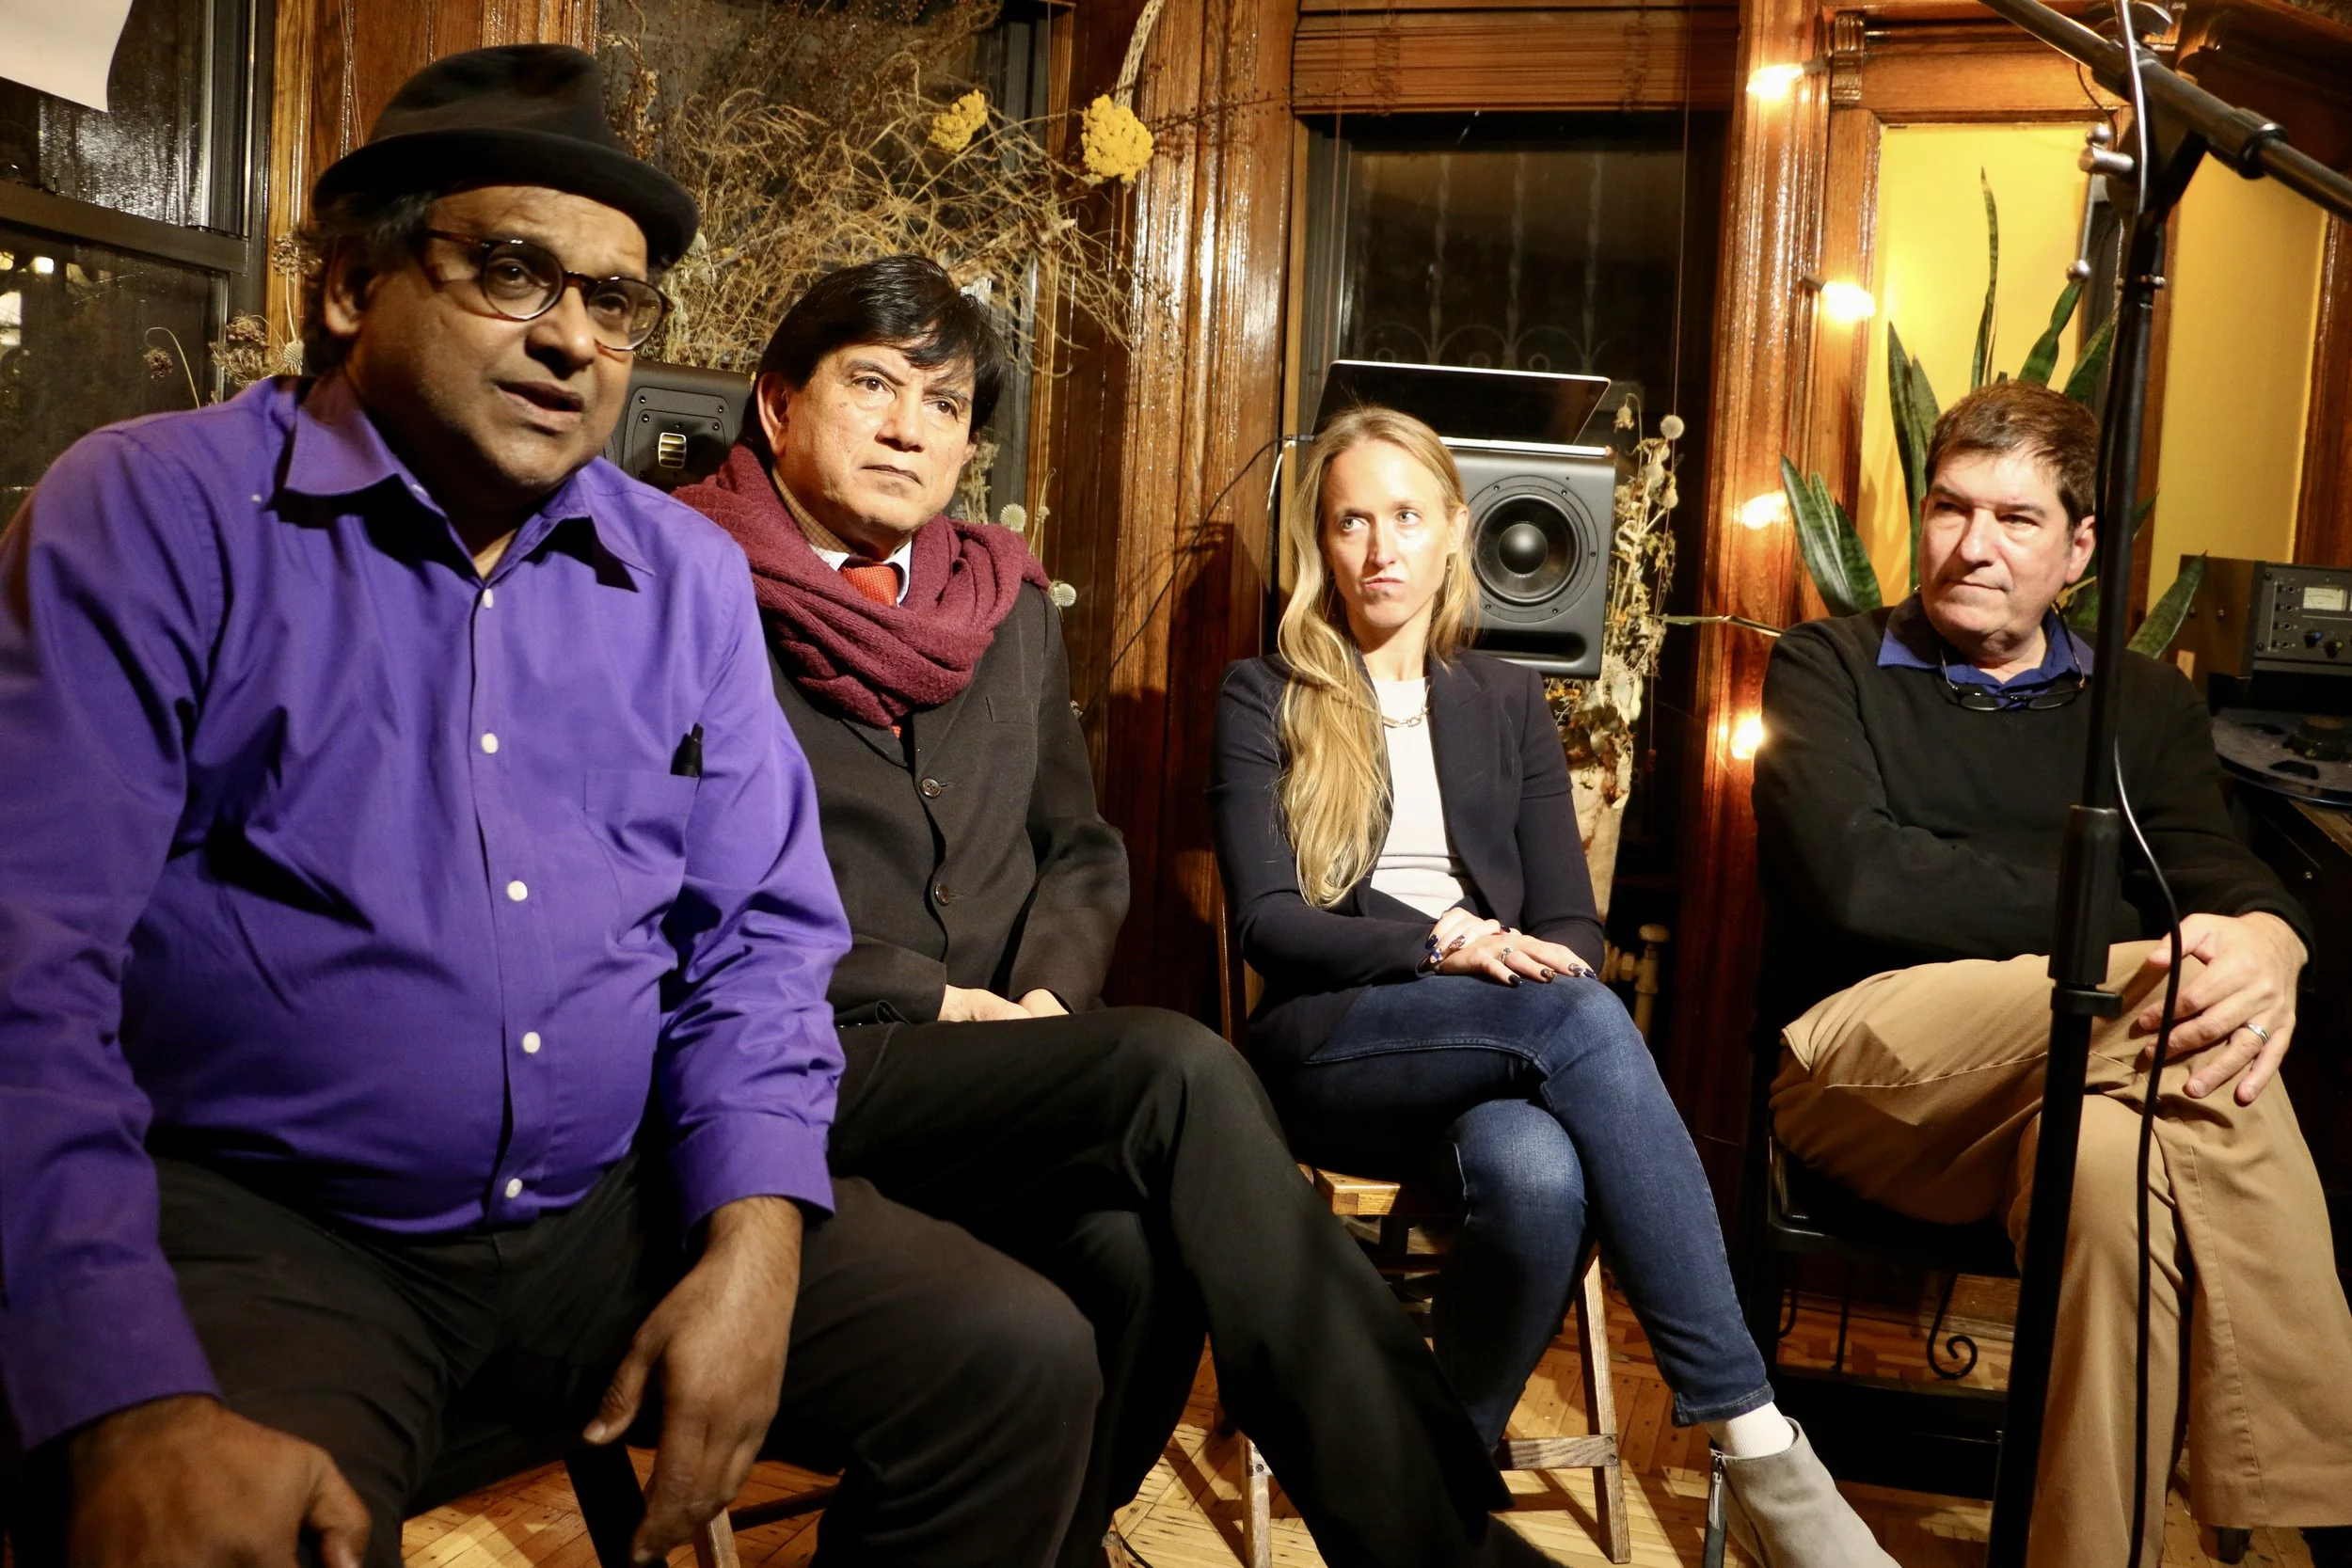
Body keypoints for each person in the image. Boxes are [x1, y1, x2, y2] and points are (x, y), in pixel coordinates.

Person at [0, 48, 1106, 1568]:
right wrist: (126, 1389)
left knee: (1016, 1361)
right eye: (513, 271)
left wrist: (758, 1229)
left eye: (613, 299)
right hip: (274, 1226)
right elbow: (27, 976)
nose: (571, 338)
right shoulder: (154, 513)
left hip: (610, 1200)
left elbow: (762, 943)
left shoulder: (681, 576)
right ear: (348, 286)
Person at [672, 256, 1545, 1568]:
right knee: (1177, 1064)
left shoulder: (1003, 602)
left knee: (1140, 1251)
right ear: (777, 401)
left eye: (946, 403)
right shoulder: (678, 575)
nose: (910, 426)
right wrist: (927, 992)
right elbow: (671, 875)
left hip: (998, 1052)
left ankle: (1048, 1544)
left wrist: (1039, 1001)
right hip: (805, 1047)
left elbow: (1076, 844)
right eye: (872, 386)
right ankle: (1436, 1541)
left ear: (972, 441)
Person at [1208, 404, 1897, 1568]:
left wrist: (1519, 955)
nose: (1379, 547)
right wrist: (1447, 942)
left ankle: (1421, 1498)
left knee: (1537, 1173)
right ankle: (1755, 1434)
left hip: (1492, 1035)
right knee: (1580, 1010)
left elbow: (1571, 917)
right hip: (1333, 1040)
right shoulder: (1262, 692)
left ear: (1452, 536)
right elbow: (1272, 923)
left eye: (1406, 517)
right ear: (1321, 546)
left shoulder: (1504, 697)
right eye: (1350, 521)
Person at [1755, 379, 2352, 1566]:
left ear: (2079, 548)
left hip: (2077, 1086)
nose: (1970, 546)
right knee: (2176, 981)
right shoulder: (1827, 667)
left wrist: (2275, 940)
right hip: (1866, 1075)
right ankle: (2329, 1497)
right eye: (1948, 508)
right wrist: (2142, 921)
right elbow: (1864, 885)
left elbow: (2216, 872)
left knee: (2111, 1181)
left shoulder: (2141, 703)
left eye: (2015, 519)